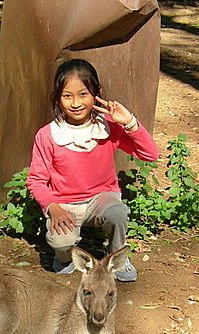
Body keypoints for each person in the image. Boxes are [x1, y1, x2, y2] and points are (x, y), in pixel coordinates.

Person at [26, 59, 159, 281]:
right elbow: (36, 180)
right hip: (65, 205)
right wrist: (53, 208)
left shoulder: (108, 128)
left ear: (96, 94)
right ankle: (64, 257)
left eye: (83, 94)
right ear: (57, 98)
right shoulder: (48, 135)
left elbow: (150, 154)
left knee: (118, 213)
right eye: (67, 96)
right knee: (61, 241)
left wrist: (130, 123)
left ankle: (117, 256)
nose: (76, 103)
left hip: (101, 199)